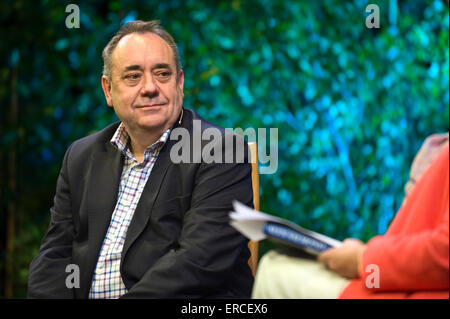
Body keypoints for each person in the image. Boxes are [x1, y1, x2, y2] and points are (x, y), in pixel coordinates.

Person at [28, 20, 254, 298]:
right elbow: (55, 256)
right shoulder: (81, 156)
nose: (150, 87)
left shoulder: (221, 150)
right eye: (133, 76)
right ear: (108, 90)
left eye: (162, 74)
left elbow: (198, 263)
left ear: (180, 83)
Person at [252, 134, 449, 299]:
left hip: (404, 287)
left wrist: (362, 260)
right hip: (397, 279)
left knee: (274, 270)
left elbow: (443, 254)